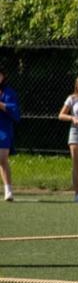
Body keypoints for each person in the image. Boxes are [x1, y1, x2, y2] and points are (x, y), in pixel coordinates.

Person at [0, 65, 18, 201]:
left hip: (3, 128)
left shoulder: (9, 92)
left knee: (2, 158)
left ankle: (8, 190)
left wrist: (1, 104)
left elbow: (14, 111)